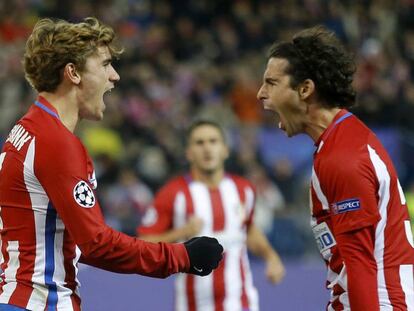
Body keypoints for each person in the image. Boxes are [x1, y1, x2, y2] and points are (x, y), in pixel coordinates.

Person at [0, 17, 223, 311]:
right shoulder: (55, 142)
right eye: (105, 64)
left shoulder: (27, 130)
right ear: (73, 73)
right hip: (39, 303)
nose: (115, 76)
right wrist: (181, 256)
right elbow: (97, 244)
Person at [257, 25, 414, 310]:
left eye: (271, 83)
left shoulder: (343, 158)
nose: (260, 94)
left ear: (305, 89)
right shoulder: (342, 141)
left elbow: (360, 263)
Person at [137, 120, 285, 311]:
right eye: (199, 143)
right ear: (188, 153)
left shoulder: (243, 189)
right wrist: (181, 233)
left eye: (213, 141)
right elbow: (144, 242)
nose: (207, 148)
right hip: (193, 304)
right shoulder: (173, 193)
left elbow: (248, 229)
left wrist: (271, 256)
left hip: (241, 302)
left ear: (225, 149)